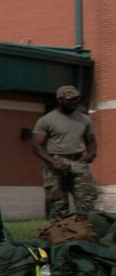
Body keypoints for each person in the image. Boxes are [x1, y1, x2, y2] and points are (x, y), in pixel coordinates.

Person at [33, 85, 99, 219]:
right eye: (69, 100)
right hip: (56, 162)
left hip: (78, 162)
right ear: (60, 100)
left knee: (87, 202)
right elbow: (36, 146)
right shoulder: (47, 120)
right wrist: (53, 162)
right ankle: (60, 235)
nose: (73, 103)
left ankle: (84, 233)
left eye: (75, 99)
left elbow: (91, 141)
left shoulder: (84, 119)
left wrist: (91, 154)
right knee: (59, 205)